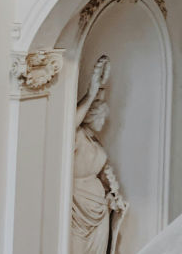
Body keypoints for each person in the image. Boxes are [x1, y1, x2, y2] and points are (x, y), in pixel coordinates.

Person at [72, 56, 128, 254]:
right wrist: (90, 94)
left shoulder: (96, 143)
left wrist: (113, 195)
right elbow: (68, 125)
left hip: (99, 209)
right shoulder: (78, 136)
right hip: (79, 208)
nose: (104, 122)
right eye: (101, 117)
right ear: (91, 116)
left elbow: (103, 174)